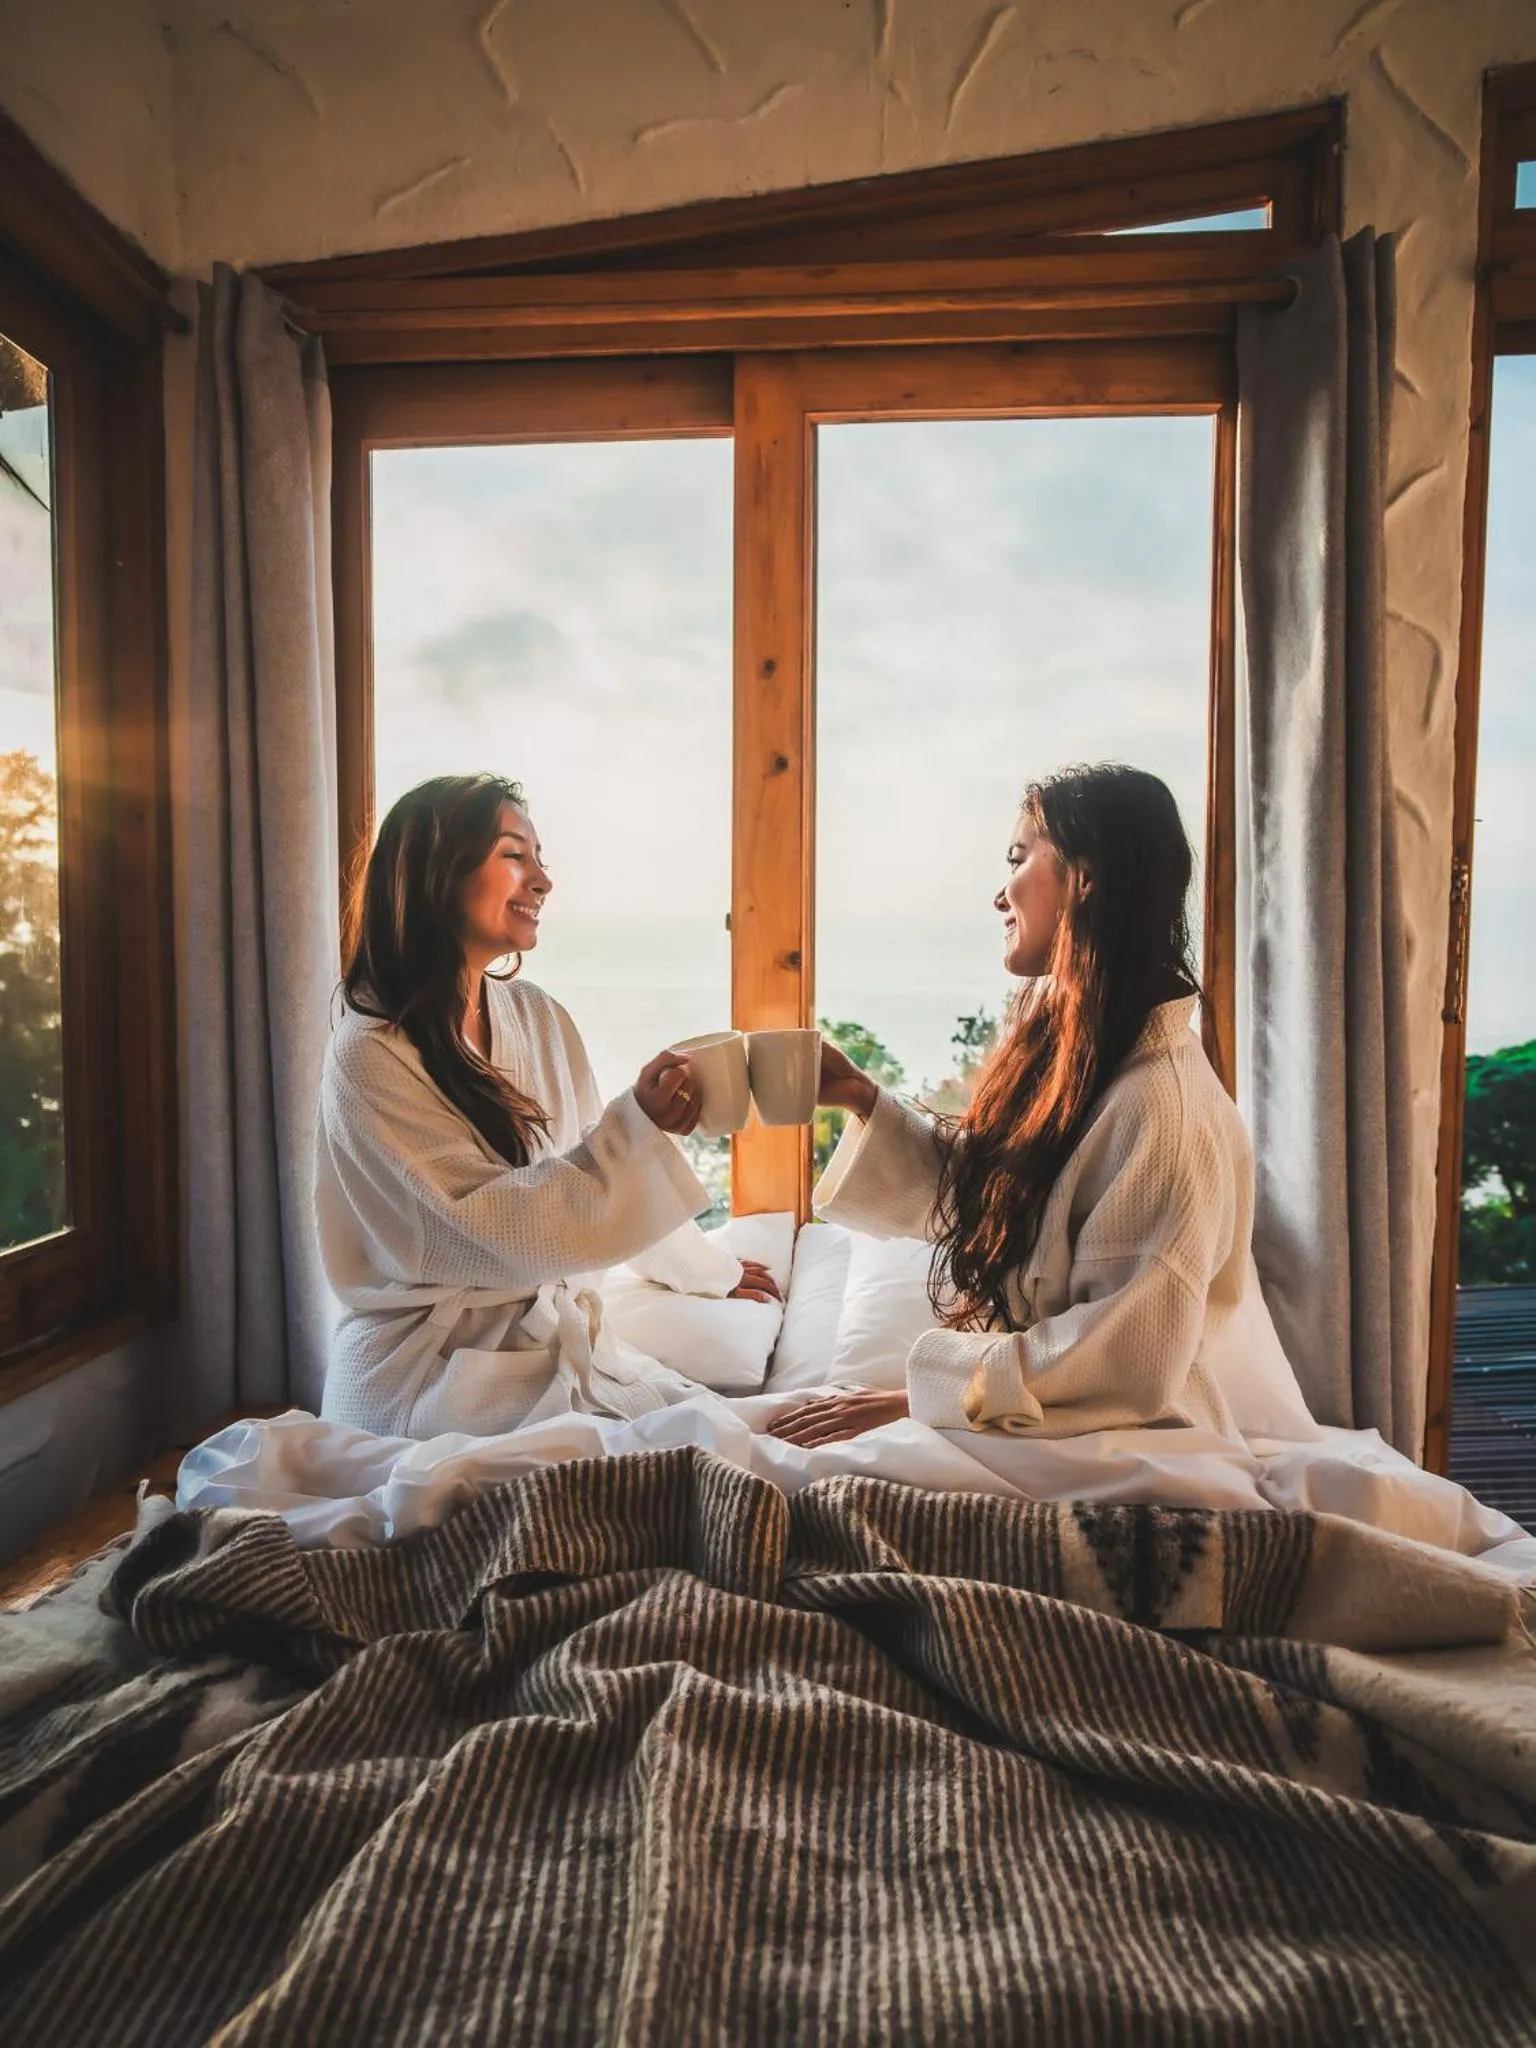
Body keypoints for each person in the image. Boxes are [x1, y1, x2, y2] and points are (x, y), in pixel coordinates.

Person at [772, 763, 1284, 1450]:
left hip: (1121, 1449)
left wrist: (908, 1399)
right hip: (1046, 1427)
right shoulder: (1088, 1056)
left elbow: (1123, 1359)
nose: (999, 896)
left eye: (1018, 859)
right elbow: (998, 1196)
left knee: (793, 1469)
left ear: (1084, 877)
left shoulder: (1163, 1112)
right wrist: (860, 1098)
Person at [316, 773, 778, 1439]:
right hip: (432, 1384)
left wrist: (710, 1270)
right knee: (700, 1466)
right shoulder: (369, 1053)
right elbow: (489, 1229)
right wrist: (638, 1125)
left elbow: (598, 1163)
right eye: (513, 855)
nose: (542, 881)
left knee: (763, 1434)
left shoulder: (535, 1016)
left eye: (541, 860)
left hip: (550, 1351)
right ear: (433, 874)